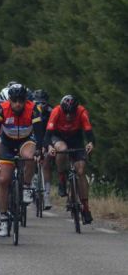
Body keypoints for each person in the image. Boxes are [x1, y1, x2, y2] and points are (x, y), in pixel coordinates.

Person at [0, 84, 44, 237]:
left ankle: (27, 185)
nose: (17, 104)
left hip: (25, 141)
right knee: (3, 180)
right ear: (9, 100)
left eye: (21, 100)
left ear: (25, 100)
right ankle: (3, 217)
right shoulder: (2, 109)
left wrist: (39, 149)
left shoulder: (33, 108)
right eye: (14, 101)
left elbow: (39, 131)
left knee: (30, 156)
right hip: (7, 144)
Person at [45, 95, 95, 223]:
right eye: (66, 112)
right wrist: (49, 147)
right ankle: (62, 178)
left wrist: (90, 143)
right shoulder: (56, 111)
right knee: (62, 149)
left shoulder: (82, 112)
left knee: (81, 171)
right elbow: (48, 135)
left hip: (76, 138)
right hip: (59, 137)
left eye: (71, 113)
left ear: (76, 110)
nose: (68, 116)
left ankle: (86, 208)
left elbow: (89, 132)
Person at [33, 89, 54, 209]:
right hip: (32, 136)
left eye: (43, 103)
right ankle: (32, 181)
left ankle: (46, 195)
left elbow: (51, 131)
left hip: (46, 137)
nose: (40, 106)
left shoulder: (51, 112)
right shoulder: (30, 111)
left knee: (46, 162)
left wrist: (47, 146)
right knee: (29, 157)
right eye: (37, 103)